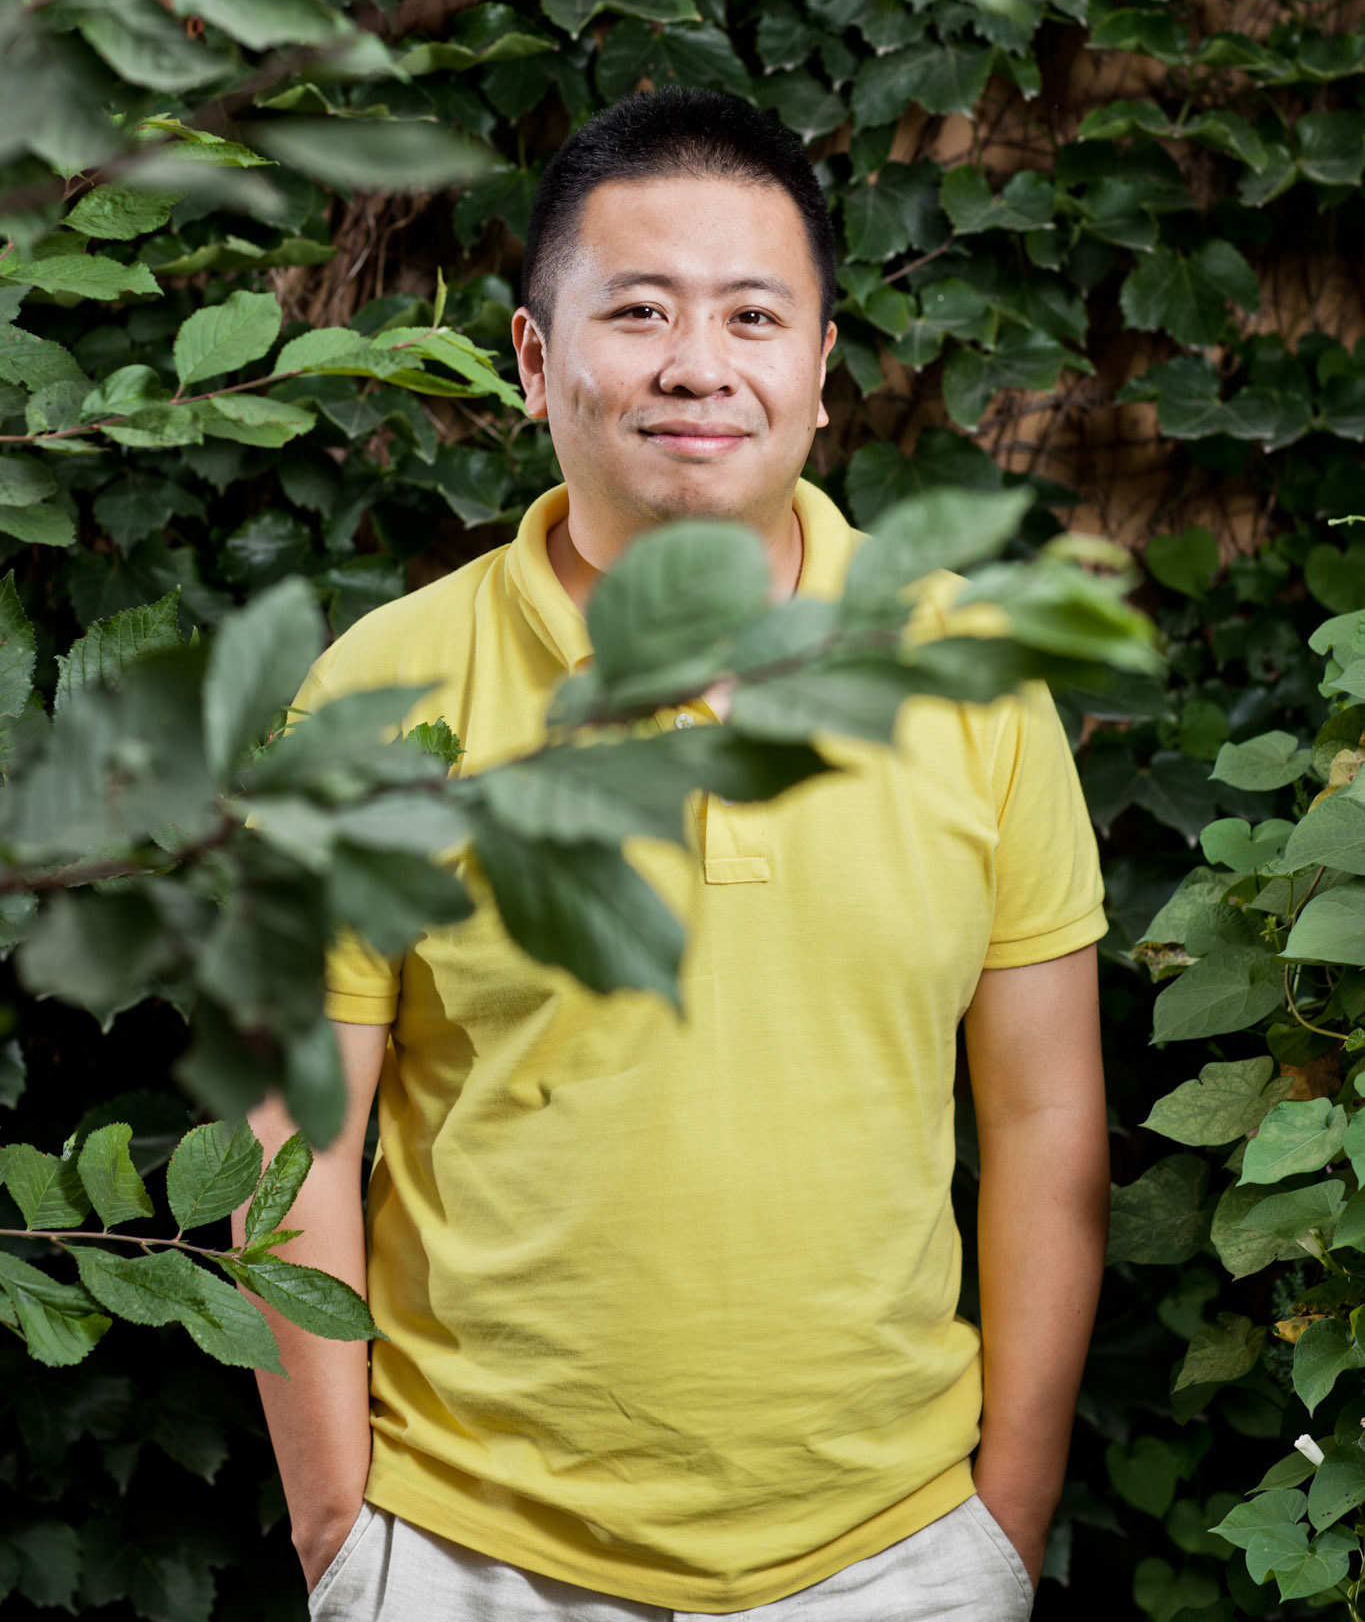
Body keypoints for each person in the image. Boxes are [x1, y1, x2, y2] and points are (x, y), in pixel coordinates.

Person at [235, 88, 1110, 1622]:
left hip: (898, 1555)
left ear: (820, 368)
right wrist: (340, 1536)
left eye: (752, 316)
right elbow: (290, 1134)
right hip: (467, 1556)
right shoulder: (380, 694)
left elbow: (1044, 1118)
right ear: (534, 361)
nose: (697, 364)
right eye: (637, 311)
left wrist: (1005, 1525)